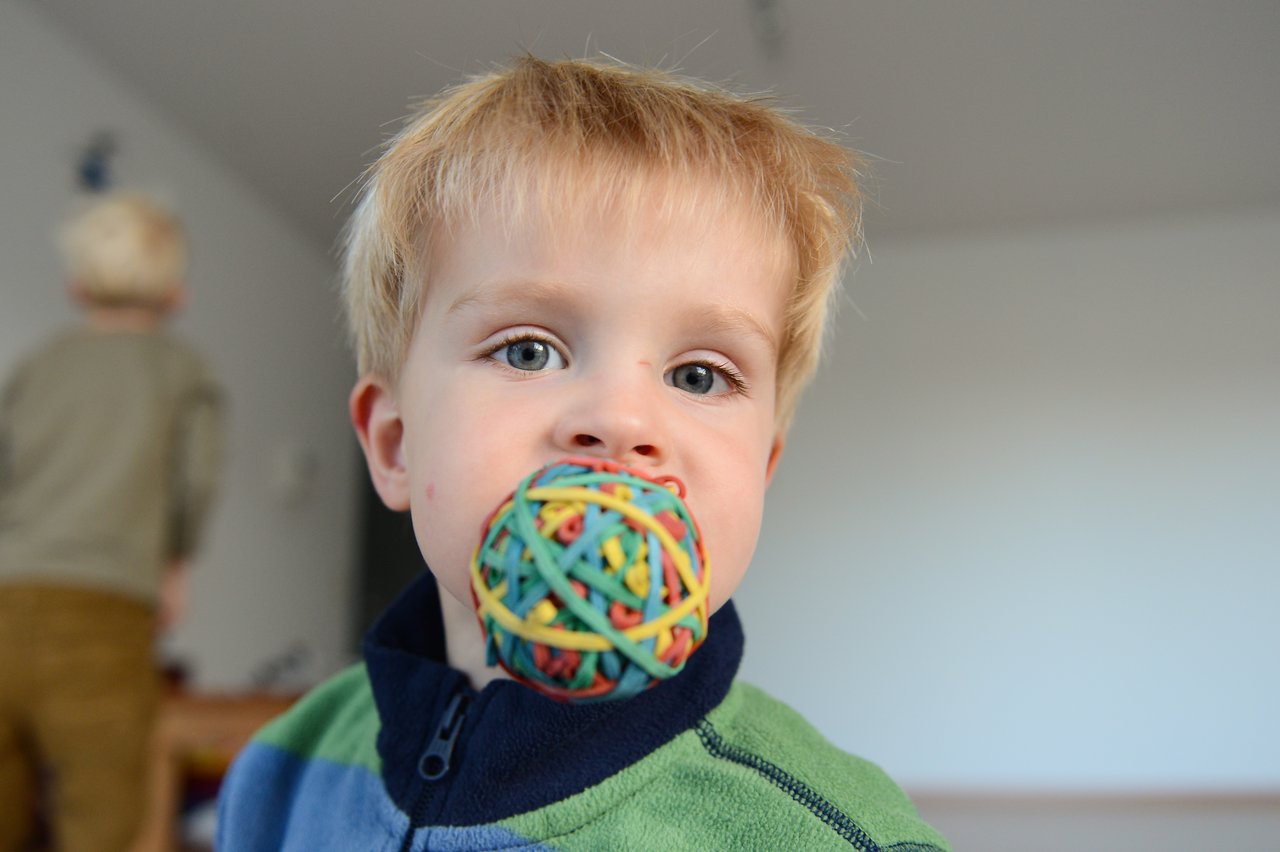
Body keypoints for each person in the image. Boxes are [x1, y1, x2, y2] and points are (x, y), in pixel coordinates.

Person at [218, 56, 949, 850]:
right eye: (529, 350)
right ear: (395, 445)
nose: (620, 419)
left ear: (762, 472)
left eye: (699, 374)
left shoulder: (828, 835)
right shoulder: (279, 773)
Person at [0, 192, 224, 851]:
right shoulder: (182, 371)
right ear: (176, 292)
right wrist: (175, 568)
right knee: (101, 810)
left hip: (6, 599)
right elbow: (195, 481)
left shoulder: (39, 365)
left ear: (77, 284)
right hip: (105, 613)